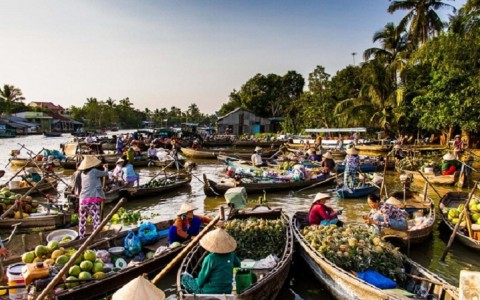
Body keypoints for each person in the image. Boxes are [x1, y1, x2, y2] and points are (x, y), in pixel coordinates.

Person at [181, 228, 240, 294]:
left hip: (210, 292)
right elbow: (238, 264)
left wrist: (195, 280)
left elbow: (200, 282)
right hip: (227, 290)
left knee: (185, 278)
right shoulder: (231, 255)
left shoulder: (210, 258)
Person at [78, 156, 109, 238]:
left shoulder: (82, 174)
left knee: (82, 220)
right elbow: (105, 173)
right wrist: (105, 168)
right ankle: (96, 236)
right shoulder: (94, 171)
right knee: (96, 220)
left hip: (82, 200)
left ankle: (81, 237)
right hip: (92, 200)